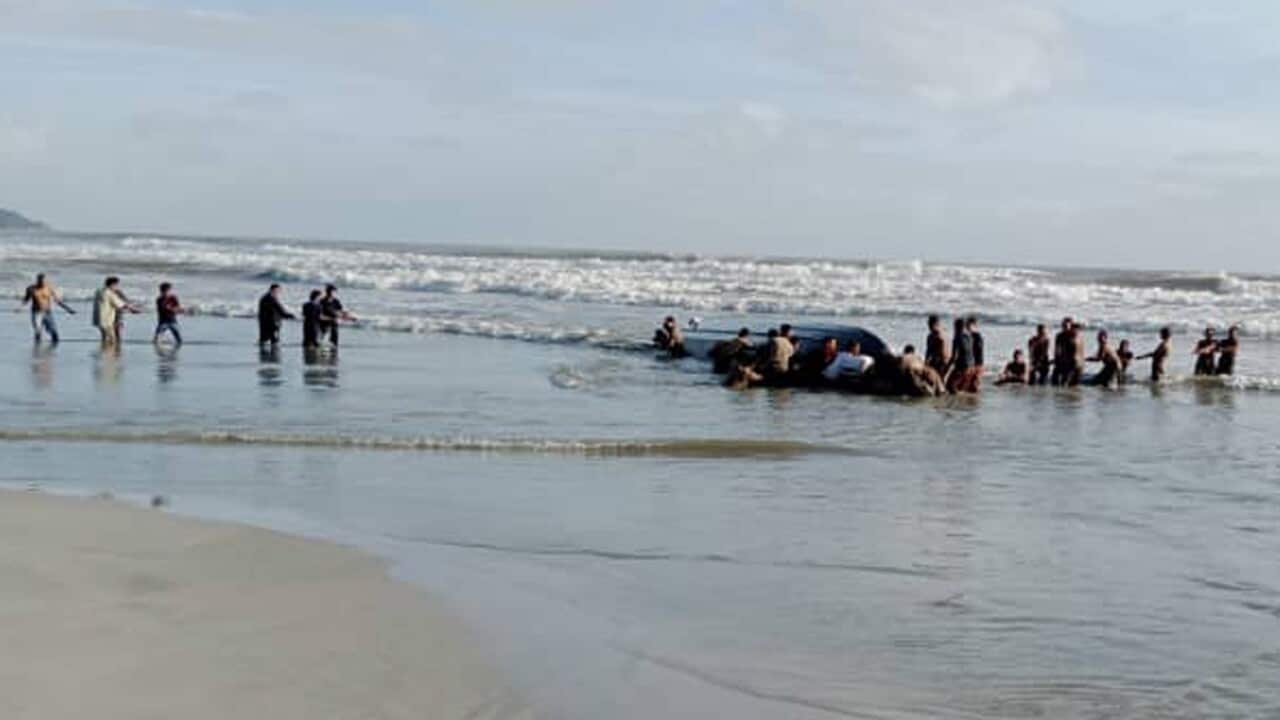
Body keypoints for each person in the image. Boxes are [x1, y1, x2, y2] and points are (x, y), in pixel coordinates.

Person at [21, 273, 74, 344]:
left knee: (54, 332)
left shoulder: (48, 288)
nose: (42, 282)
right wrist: (20, 308)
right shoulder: (31, 289)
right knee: (38, 331)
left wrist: (68, 309)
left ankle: (54, 343)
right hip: (36, 313)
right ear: (37, 280)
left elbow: (57, 301)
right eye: (40, 280)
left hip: (48, 313)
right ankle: (37, 346)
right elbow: (26, 300)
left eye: (43, 281)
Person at [92, 276, 138, 346]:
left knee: (104, 336)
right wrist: (132, 309)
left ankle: (104, 349)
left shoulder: (99, 291)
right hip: (106, 320)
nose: (117, 287)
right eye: (116, 285)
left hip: (98, 319)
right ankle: (109, 351)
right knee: (112, 339)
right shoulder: (109, 293)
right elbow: (120, 304)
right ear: (113, 284)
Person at [1052, 317, 1082, 387]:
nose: (1064, 327)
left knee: (1070, 384)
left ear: (1071, 326)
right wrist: (1057, 360)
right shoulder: (1060, 336)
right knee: (1056, 381)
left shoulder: (1076, 336)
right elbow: (1057, 350)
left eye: (1066, 326)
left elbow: (1078, 351)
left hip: (1075, 363)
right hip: (1066, 362)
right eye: (1063, 325)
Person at [946, 317, 973, 393]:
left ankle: (960, 397)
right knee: (961, 387)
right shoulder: (969, 337)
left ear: (957, 327)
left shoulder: (957, 338)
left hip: (961, 367)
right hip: (971, 366)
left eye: (954, 327)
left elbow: (954, 357)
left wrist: (946, 368)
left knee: (950, 386)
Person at [924, 315, 950, 379]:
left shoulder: (935, 336)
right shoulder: (945, 333)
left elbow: (929, 352)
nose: (929, 327)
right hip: (947, 363)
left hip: (940, 364)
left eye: (930, 325)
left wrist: (926, 363)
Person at [964, 316, 985, 392]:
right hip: (971, 364)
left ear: (974, 325)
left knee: (974, 386)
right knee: (969, 386)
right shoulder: (969, 336)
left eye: (968, 325)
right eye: (966, 325)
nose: (967, 327)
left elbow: (977, 351)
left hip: (977, 364)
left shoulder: (977, 336)